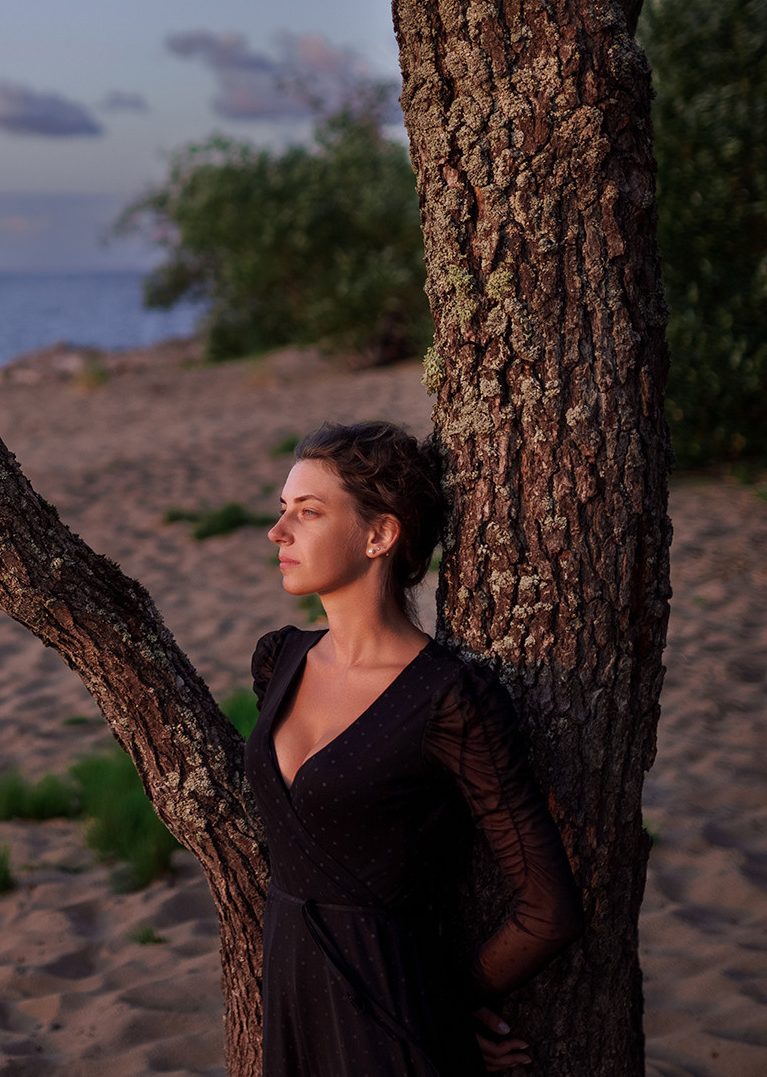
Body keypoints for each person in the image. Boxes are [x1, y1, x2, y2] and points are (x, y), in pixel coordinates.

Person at [247, 421, 582, 1076]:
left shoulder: (451, 698)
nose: (278, 531)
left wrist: (450, 1001)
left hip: (392, 1024)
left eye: (307, 512)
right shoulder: (278, 659)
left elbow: (549, 908)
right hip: (290, 1002)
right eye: (282, 509)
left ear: (380, 533)